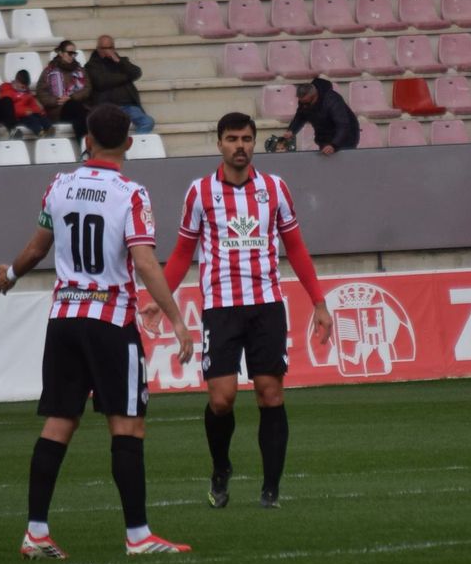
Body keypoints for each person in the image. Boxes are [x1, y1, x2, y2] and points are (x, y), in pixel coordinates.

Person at [0, 103, 196, 559]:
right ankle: (138, 535)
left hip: (64, 319)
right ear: (129, 142)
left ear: (87, 140)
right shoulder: (131, 194)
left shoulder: (59, 185)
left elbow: (36, 248)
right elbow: (144, 261)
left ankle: (36, 532)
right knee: (127, 425)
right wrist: (177, 318)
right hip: (109, 321)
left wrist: (11, 274)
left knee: (59, 422)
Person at [142, 112, 334, 509]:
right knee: (222, 399)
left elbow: (296, 247)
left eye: (246, 138)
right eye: (232, 139)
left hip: (266, 305)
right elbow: (182, 252)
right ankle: (221, 468)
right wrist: (161, 301)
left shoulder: (275, 188)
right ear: (219, 144)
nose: (240, 146)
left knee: (270, 393)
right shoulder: (200, 192)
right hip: (221, 308)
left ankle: (270, 489)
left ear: (253, 142)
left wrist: (319, 302)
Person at [84, 35, 153, 133]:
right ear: (98, 49)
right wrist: (126, 77)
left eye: (110, 47)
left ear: (114, 48)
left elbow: (137, 73)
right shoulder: (91, 65)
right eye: (104, 48)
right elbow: (101, 82)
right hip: (106, 106)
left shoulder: (122, 61)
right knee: (110, 130)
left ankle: (134, 142)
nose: (107, 51)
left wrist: (119, 61)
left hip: (128, 106)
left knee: (147, 122)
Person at [281, 77, 359, 155]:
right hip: (324, 135)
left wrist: (334, 145)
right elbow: (300, 116)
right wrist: (291, 130)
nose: (304, 106)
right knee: (325, 157)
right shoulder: (305, 101)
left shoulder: (332, 100)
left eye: (307, 103)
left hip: (346, 136)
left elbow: (343, 125)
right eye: (302, 103)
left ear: (315, 96)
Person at [37, 41, 90, 136]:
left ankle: (84, 141)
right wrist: (57, 100)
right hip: (58, 110)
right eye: (70, 53)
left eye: (74, 53)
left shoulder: (80, 70)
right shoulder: (49, 71)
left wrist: (72, 97)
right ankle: (84, 141)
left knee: (78, 110)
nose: (72, 56)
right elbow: (41, 92)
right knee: (78, 110)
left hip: (77, 107)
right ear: (61, 53)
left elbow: (87, 88)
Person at [0, 68, 53, 135]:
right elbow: (10, 107)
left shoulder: (26, 92)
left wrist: (40, 112)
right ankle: (39, 131)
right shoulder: (8, 91)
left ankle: (49, 128)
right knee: (31, 119)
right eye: (22, 87)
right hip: (18, 116)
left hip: (28, 112)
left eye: (26, 87)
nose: (24, 89)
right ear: (16, 81)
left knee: (39, 116)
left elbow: (33, 104)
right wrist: (24, 112)